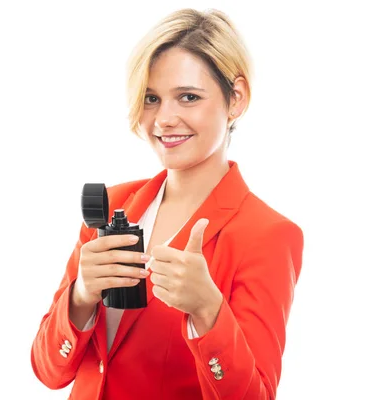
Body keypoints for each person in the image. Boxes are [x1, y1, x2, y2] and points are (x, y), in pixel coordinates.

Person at [30, 7, 304, 400]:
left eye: (188, 97)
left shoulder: (268, 235)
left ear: (236, 99)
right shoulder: (112, 204)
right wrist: (80, 296)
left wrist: (209, 312)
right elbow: (49, 372)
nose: (164, 119)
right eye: (151, 98)